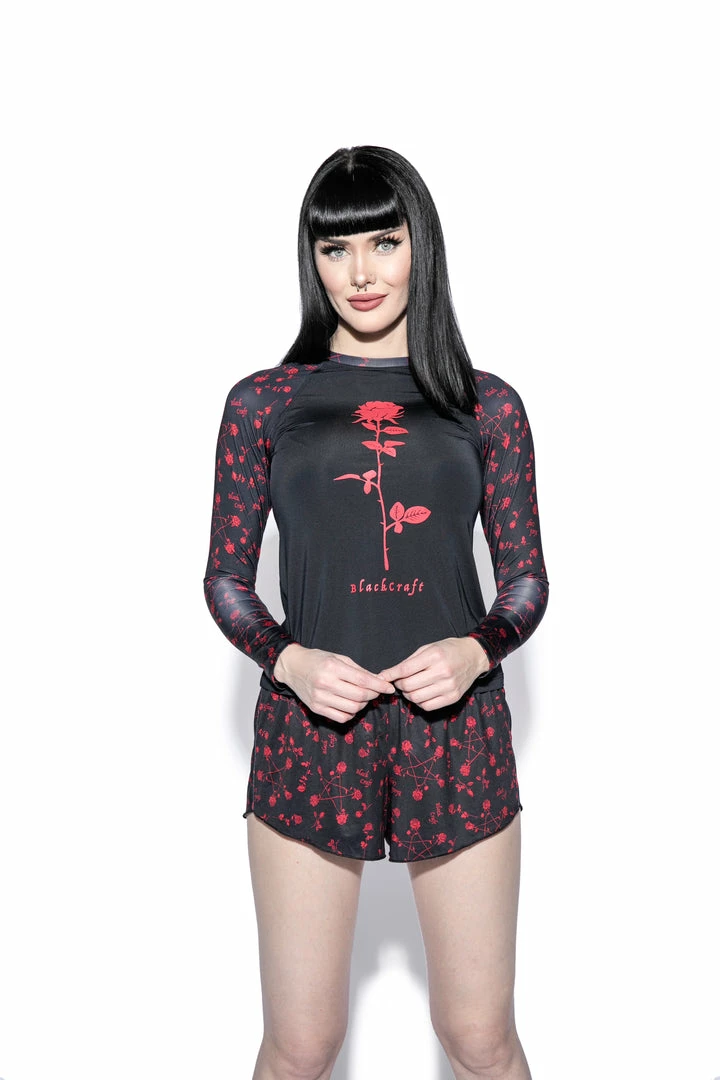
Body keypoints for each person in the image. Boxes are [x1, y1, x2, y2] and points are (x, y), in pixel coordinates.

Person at [203, 145, 549, 1080]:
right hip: (310, 729)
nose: (360, 271)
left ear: (419, 246)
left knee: (480, 1038)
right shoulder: (263, 403)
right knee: (301, 1044)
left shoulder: (486, 405)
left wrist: (477, 652)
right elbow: (226, 579)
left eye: (383, 242)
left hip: (458, 732)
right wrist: (291, 662)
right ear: (312, 260)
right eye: (335, 248)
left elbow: (525, 582)